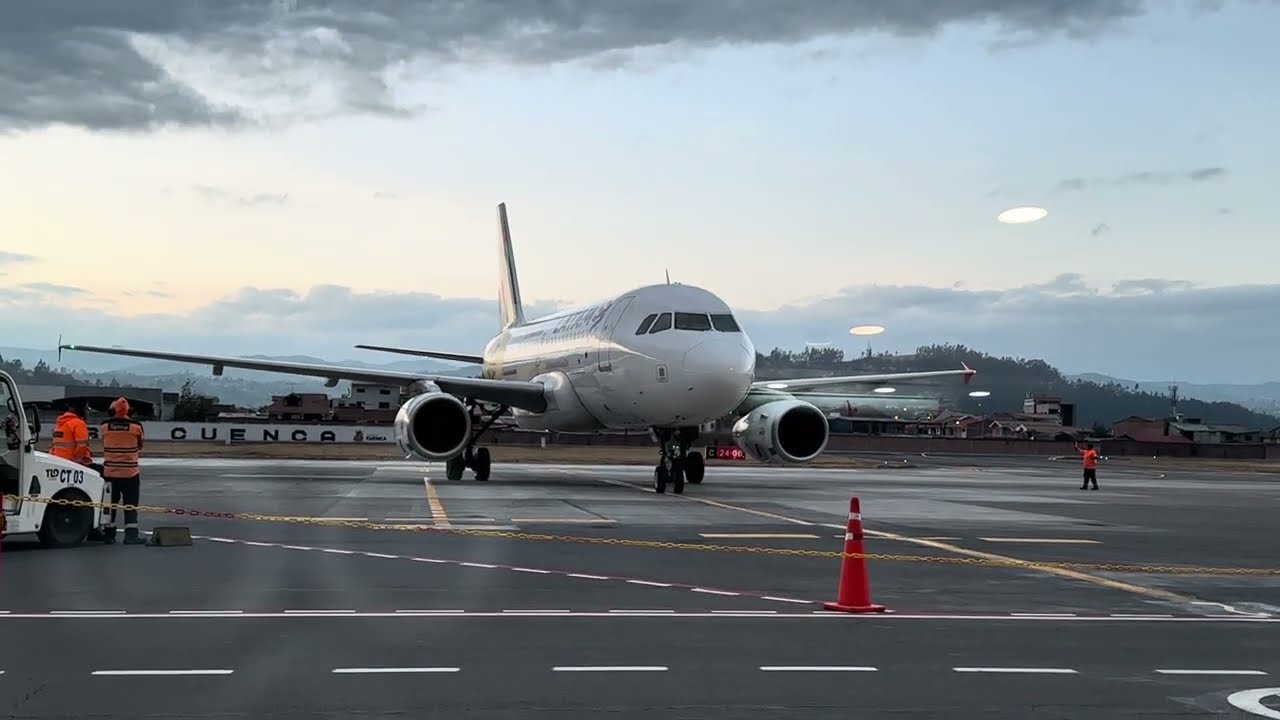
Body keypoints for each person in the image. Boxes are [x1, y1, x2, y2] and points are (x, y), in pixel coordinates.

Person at [99, 397, 145, 545]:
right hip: (130, 472)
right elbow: (140, 445)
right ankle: (131, 535)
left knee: (110, 505)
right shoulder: (136, 426)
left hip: (110, 472)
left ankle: (109, 535)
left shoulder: (104, 426)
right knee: (130, 505)